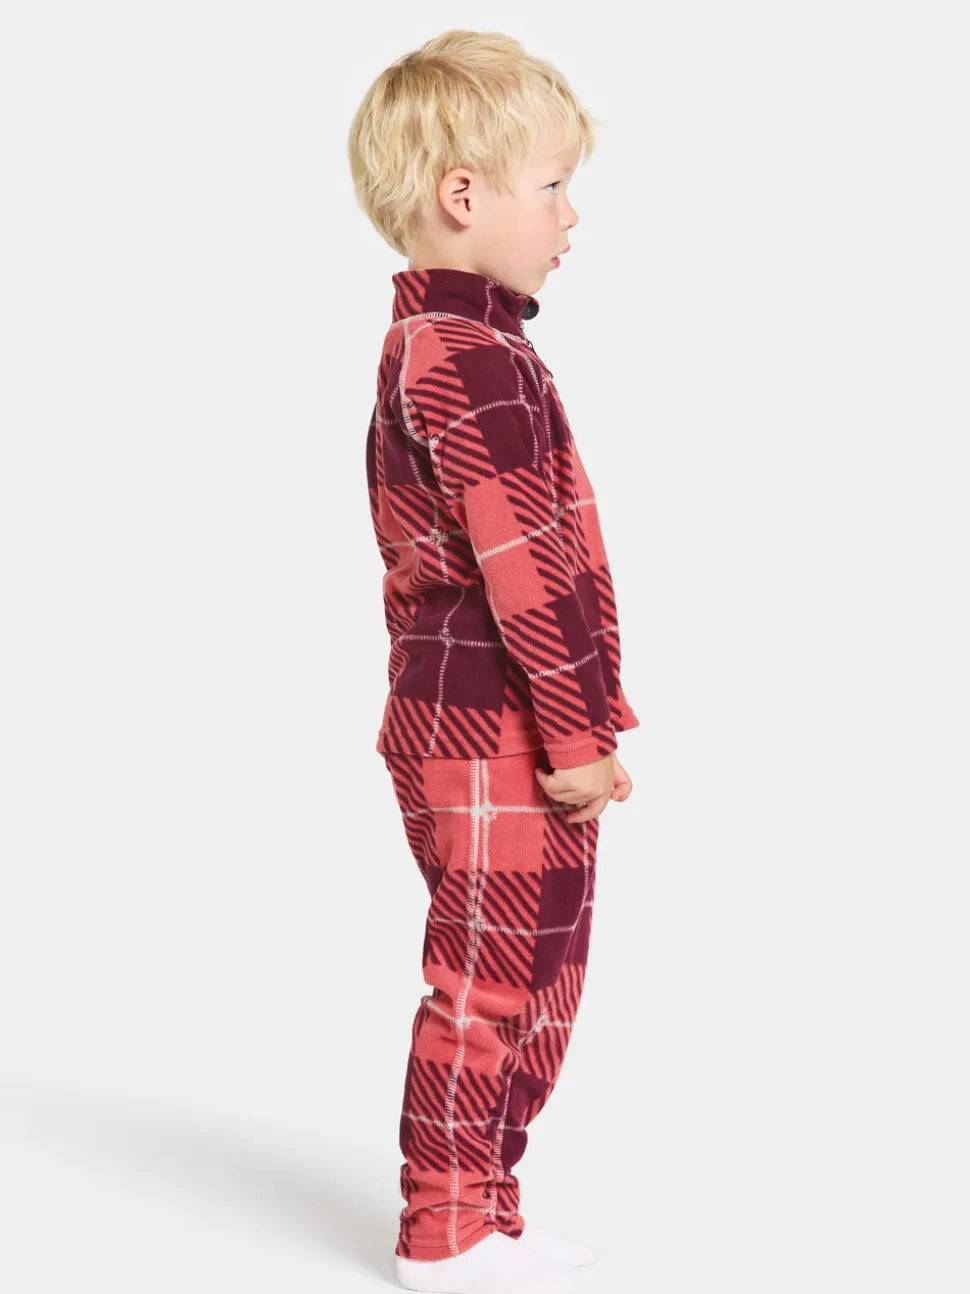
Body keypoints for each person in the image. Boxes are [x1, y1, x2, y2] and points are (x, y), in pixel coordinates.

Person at [348, 29, 640, 1294]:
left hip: (483, 722)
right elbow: (525, 569)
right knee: (492, 979)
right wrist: (576, 739)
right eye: (554, 186)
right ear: (462, 195)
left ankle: (487, 1202)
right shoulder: (465, 361)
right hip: (493, 728)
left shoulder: (457, 346)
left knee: (536, 971)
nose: (571, 216)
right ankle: (446, 1229)